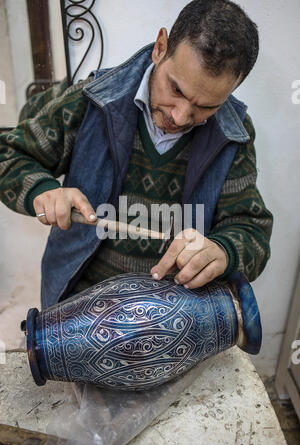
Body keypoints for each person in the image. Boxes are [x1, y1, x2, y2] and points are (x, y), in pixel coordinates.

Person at [0, 0, 273, 309]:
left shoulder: (232, 133)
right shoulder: (95, 100)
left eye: (206, 106)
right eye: (177, 91)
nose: (181, 116)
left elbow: (252, 232)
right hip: (78, 307)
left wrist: (224, 251)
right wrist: (44, 191)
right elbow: (8, 154)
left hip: (174, 316)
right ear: (160, 48)